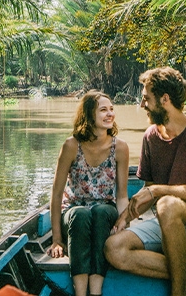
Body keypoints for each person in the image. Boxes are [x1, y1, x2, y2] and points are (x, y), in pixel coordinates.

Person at [105, 67, 186, 296]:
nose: (142, 106)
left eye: (146, 99)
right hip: (167, 221)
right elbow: (147, 190)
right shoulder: (151, 136)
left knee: (166, 204)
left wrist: (157, 190)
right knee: (114, 248)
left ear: (165, 99)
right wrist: (125, 217)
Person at [47, 90, 130, 296]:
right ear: (88, 115)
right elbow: (57, 195)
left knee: (101, 211)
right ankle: (80, 293)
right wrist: (56, 239)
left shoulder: (120, 147)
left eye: (111, 109)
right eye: (103, 110)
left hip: (105, 211)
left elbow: (121, 195)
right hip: (75, 213)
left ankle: (96, 292)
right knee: (81, 214)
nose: (110, 114)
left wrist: (124, 224)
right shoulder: (71, 146)